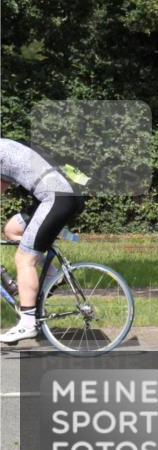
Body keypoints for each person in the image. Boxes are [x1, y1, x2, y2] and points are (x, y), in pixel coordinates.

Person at [0, 138, 85, 343]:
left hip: (54, 197)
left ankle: (27, 323)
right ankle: (53, 277)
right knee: (12, 230)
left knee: (24, 259)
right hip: (61, 194)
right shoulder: (8, 145)